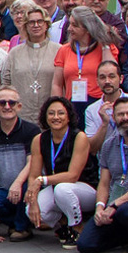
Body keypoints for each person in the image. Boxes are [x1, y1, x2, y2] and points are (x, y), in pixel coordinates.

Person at [77, 97, 128, 253]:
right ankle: (123, 237)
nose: (126, 118)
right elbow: (104, 183)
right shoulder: (108, 144)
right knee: (85, 245)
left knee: (127, 211)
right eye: (121, 114)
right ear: (114, 118)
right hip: (113, 207)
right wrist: (100, 208)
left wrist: (115, 205)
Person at [28, 96, 95, 244]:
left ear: (68, 116)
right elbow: (33, 176)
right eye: (51, 113)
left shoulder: (79, 137)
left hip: (85, 188)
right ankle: (63, 223)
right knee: (31, 209)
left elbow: (73, 176)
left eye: (61, 113)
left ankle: (77, 227)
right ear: (45, 117)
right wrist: (32, 200)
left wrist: (42, 180)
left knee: (62, 189)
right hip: (56, 187)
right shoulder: (39, 139)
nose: (56, 117)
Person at [0, 86, 40, 241]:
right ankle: (18, 221)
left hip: (26, 185)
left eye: (12, 103)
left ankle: (21, 228)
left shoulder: (31, 131)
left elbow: (32, 162)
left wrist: (18, 183)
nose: (7, 107)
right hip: (4, 190)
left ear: (19, 106)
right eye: (2, 103)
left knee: (26, 189)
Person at [0, 0, 60, 124]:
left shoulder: (59, 50)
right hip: (21, 115)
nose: (36, 25)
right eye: (31, 22)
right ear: (25, 25)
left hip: (50, 115)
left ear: (46, 24)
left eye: (40, 21)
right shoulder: (15, 53)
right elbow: (6, 82)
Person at [80, 60, 128, 147]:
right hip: (105, 159)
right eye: (102, 77)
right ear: (97, 81)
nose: (107, 81)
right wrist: (105, 124)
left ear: (121, 79)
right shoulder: (92, 110)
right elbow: (91, 148)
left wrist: (127, 125)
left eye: (112, 76)